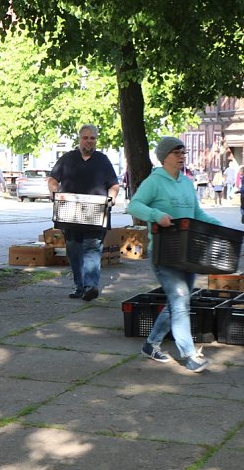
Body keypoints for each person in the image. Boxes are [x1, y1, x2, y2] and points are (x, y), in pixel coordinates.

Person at [126, 136, 223, 373]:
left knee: (178, 301)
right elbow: (134, 205)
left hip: (187, 251)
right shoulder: (155, 181)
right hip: (164, 251)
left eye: (183, 152)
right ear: (164, 156)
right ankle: (189, 354)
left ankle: (151, 345)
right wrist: (157, 215)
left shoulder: (186, 182)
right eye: (177, 152)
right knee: (179, 299)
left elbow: (196, 213)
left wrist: (218, 226)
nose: (182, 156)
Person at [47, 124, 120, 301]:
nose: (89, 141)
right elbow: (52, 179)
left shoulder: (103, 160)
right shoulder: (67, 159)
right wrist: (54, 194)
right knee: (74, 251)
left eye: (92, 138)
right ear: (79, 139)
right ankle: (79, 286)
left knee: (92, 249)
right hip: (70, 214)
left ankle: (90, 286)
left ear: (96, 140)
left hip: (96, 214)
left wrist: (112, 198)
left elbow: (114, 185)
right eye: (85, 137)